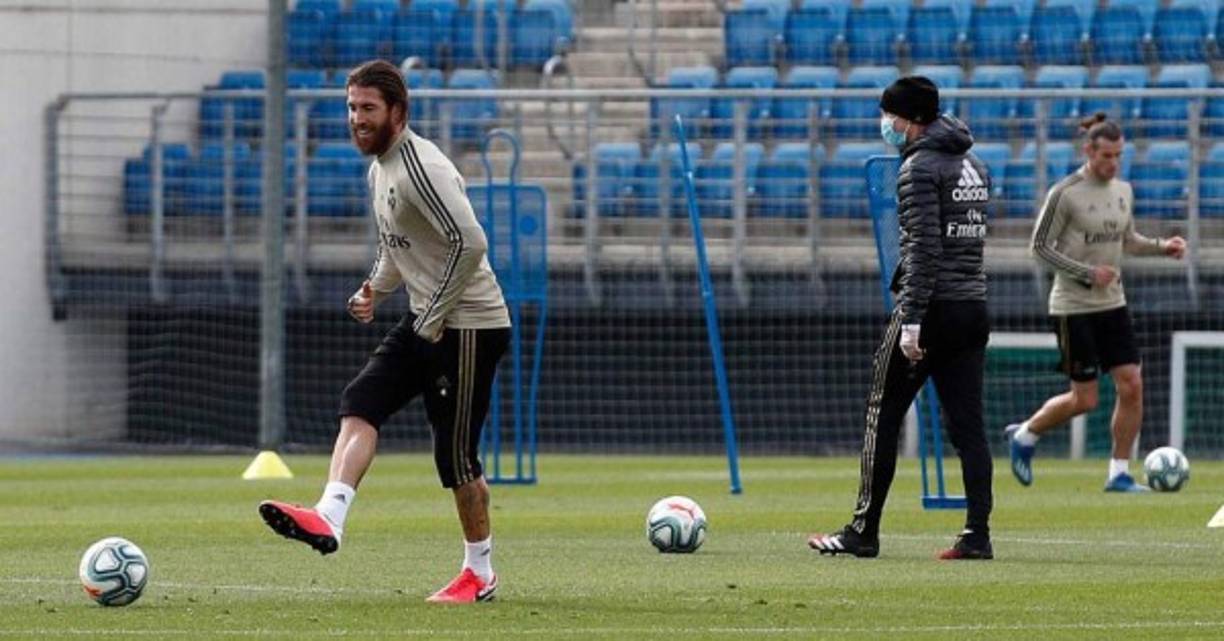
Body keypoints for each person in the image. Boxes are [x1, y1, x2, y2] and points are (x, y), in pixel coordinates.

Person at [258, 59, 511, 604]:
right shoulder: (379, 171)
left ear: (397, 112)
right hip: (426, 317)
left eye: (368, 108)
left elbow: (470, 244)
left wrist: (436, 317)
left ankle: (480, 573)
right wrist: (373, 288)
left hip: (469, 325)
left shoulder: (422, 166)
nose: (356, 119)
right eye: (351, 108)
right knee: (360, 401)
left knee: (456, 458)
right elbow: (397, 246)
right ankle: (330, 516)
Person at [807, 76, 994, 560]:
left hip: (931, 308)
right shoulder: (974, 163)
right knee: (968, 426)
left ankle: (862, 531)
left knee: (881, 413)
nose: (883, 124)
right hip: (973, 305)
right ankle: (977, 534)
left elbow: (924, 248)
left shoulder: (917, 169)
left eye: (888, 115)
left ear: (908, 119)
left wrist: (910, 318)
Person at [1005, 113, 1186, 492]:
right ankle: (1025, 433)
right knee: (1085, 399)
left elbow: (1128, 239)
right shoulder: (1065, 193)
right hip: (1073, 307)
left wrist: (1161, 248)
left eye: (1118, 155)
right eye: (1106, 155)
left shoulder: (1123, 190)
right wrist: (1086, 273)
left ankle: (1119, 473)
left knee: (1132, 384)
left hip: (1113, 304)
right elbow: (1039, 248)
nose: (1113, 163)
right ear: (1089, 150)